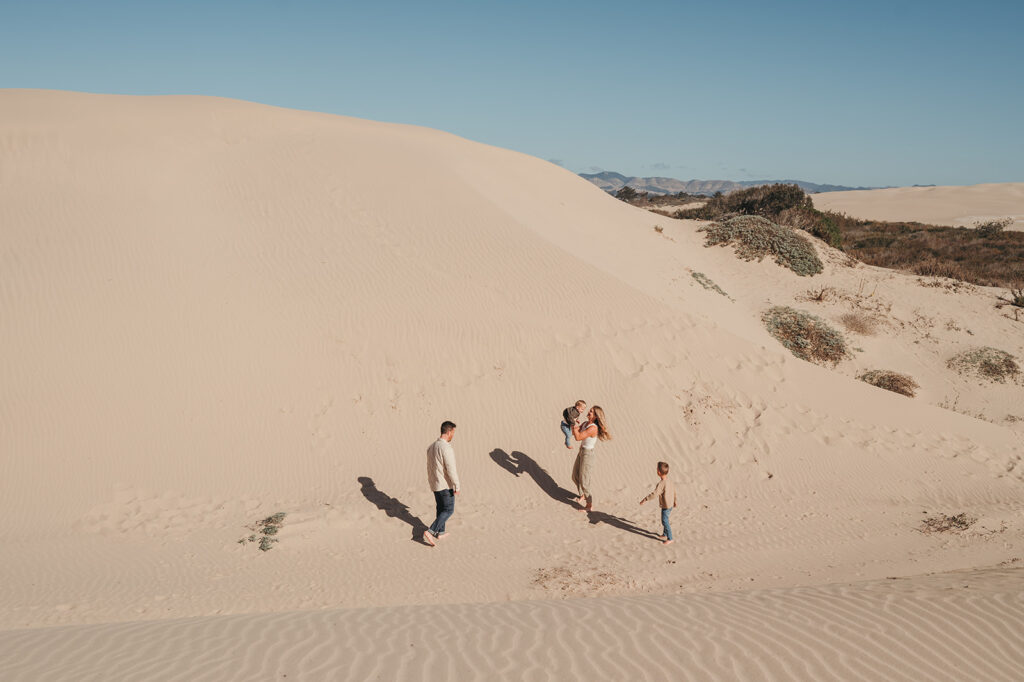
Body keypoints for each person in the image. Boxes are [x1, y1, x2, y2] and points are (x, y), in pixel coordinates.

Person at [424, 420, 459, 547]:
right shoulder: (445, 447)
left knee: (441, 508)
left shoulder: (431, 447)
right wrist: (456, 484)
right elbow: (451, 468)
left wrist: (431, 482)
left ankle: (440, 532)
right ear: (449, 432)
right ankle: (431, 531)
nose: (453, 436)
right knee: (449, 509)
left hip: (435, 483)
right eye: (453, 433)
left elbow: (429, 467)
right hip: (444, 484)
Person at [570, 406, 611, 511]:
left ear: (596, 416)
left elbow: (578, 437)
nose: (589, 412)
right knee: (575, 476)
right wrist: (572, 423)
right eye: (590, 410)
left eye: (591, 412)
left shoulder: (593, 428)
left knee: (584, 481)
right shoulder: (585, 424)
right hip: (581, 452)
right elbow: (575, 433)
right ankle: (583, 494)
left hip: (588, 455)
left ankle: (589, 505)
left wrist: (574, 427)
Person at [639, 461, 677, 545]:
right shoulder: (670, 481)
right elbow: (674, 491)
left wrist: (645, 499)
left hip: (666, 506)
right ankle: (665, 534)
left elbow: (654, 494)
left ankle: (670, 538)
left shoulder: (661, 484)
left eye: (657, 469)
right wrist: (675, 501)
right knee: (665, 519)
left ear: (659, 472)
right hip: (670, 504)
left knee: (664, 521)